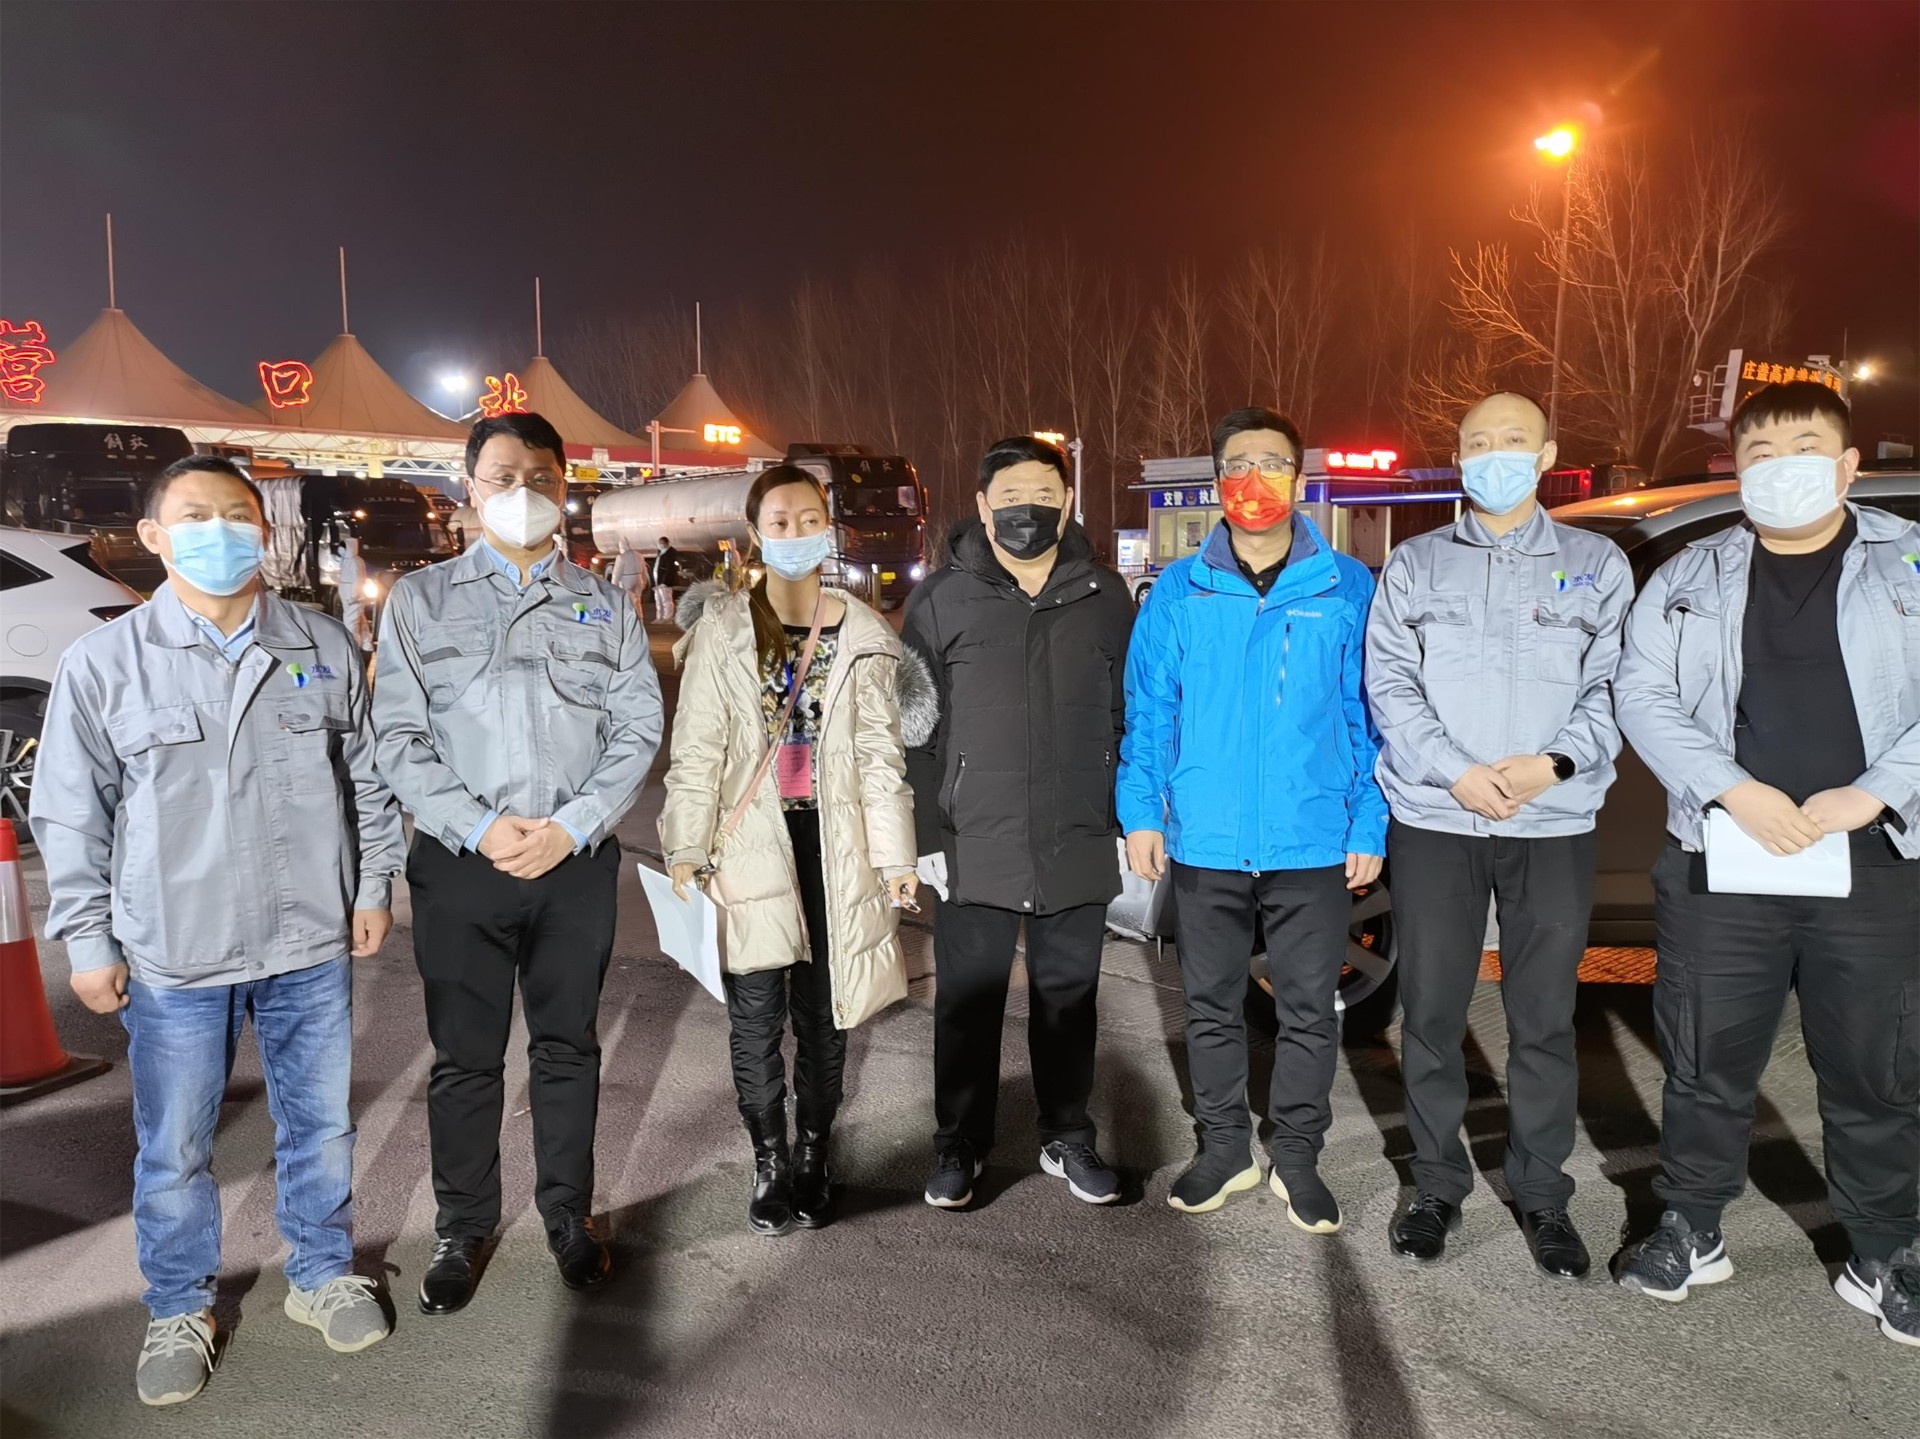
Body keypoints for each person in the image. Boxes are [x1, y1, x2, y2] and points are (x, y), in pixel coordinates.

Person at [30, 455, 404, 1407]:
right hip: (175, 950)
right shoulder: (106, 662)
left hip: (307, 938)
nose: (221, 530)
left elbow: (366, 777)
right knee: (175, 1143)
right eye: (195, 515)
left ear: (264, 531)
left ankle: (321, 1271)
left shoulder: (318, 642)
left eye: (238, 514)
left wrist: (373, 886)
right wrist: (88, 940)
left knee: (320, 1123)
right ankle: (179, 1303)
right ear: (153, 536)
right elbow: (71, 811)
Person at [1613, 381, 1920, 1343]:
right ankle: (1691, 1225)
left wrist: (1876, 792)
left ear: (1848, 465)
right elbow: (1642, 691)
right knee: (1705, 1059)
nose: (1782, 468)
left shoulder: (1909, 561)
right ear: (1735, 469)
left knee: (1875, 1068)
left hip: (1870, 856)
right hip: (1723, 855)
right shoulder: (1692, 574)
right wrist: (1729, 788)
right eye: (1760, 452)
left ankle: (1883, 1250)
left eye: (1805, 448)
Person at [373, 412, 664, 1316]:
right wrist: (480, 825)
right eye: (502, 475)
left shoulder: (605, 604)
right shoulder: (421, 602)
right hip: (463, 862)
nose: (522, 491)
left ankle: (568, 1215)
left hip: (573, 863)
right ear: (470, 488)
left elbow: (636, 727)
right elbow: (398, 737)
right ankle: (462, 1226)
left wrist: (573, 827)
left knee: (568, 1048)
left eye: (540, 475)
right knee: (465, 1057)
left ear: (564, 487)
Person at [1364, 392, 1632, 1278]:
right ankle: (1436, 1183)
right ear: (1459, 458)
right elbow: (1390, 684)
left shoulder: (1595, 565)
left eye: (1513, 440)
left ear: (1547, 453)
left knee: (1543, 1018)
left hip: (1552, 819)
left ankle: (1543, 1191)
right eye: (1478, 442)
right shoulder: (1416, 564)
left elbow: (1615, 684)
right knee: (1433, 1011)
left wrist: (1552, 764)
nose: (1495, 455)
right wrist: (1456, 771)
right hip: (1438, 816)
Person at [1118, 407, 1387, 1227]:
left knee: (1309, 1009)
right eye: (1238, 464)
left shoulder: (1347, 586)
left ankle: (1296, 1155)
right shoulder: (1180, 590)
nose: (1254, 479)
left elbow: (1371, 714)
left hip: (1312, 836)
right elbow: (1150, 708)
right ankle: (1226, 1149)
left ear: (1299, 479)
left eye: (1272, 463)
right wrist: (1142, 812)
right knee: (1209, 1004)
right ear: (1216, 480)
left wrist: (1368, 821)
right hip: (1207, 837)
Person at [661, 465, 929, 1235]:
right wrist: (685, 848)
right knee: (755, 1017)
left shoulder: (865, 634)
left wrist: (897, 859)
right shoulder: (723, 631)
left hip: (835, 845)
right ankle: (769, 1158)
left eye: (807, 518)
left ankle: (814, 1151)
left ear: (826, 527)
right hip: (751, 844)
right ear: (755, 533)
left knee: (825, 1015)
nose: (794, 532)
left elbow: (881, 759)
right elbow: (696, 753)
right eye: (778, 521)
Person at [902, 435, 1136, 1210]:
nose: (1025, 510)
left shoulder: (1106, 596)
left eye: (1041, 495)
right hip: (973, 838)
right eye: (1008, 498)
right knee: (967, 1004)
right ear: (981, 506)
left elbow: (1126, 714)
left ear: (1066, 502)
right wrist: (926, 838)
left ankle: (1066, 1133)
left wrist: (1125, 814)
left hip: (1076, 834)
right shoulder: (941, 600)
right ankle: (959, 1142)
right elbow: (913, 730)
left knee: (1069, 999)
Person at [610, 535, 645, 617]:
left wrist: (613, 586)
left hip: (627, 580)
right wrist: (644, 580)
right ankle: (639, 617)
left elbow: (616, 573)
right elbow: (644, 570)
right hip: (639, 578)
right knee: (637, 600)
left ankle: (631, 618)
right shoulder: (639, 555)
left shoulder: (621, 557)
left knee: (628, 601)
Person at [652, 534, 680, 622]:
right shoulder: (660, 552)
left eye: (662, 543)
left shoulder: (670, 553)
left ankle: (668, 617)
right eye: (659, 543)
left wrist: (665, 582)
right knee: (658, 600)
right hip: (658, 582)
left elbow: (670, 569)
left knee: (666, 600)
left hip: (665, 582)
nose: (660, 545)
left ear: (667, 543)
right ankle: (659, 617)